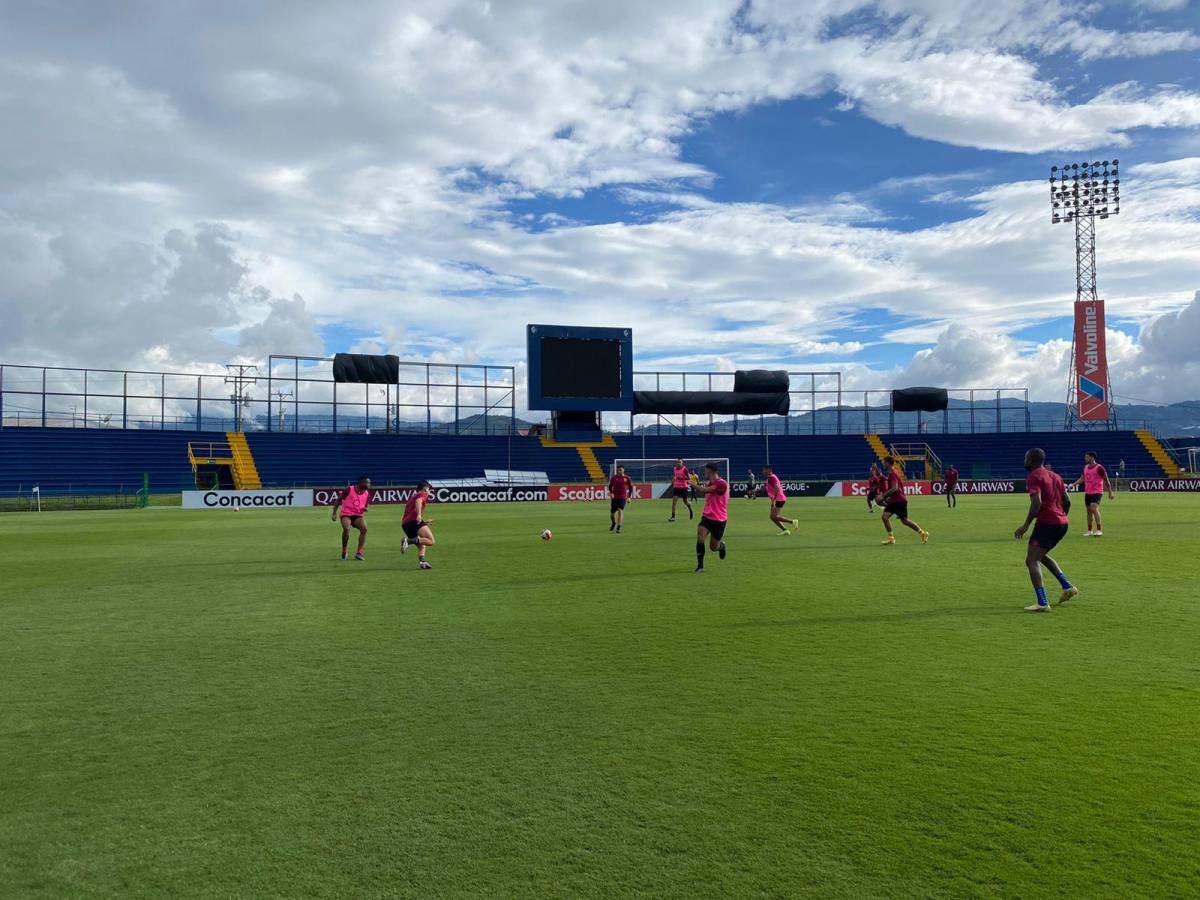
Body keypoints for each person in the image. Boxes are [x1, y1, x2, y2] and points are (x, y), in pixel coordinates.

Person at [1014, 448, 1079, 612]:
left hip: (1047, 522)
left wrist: (1026, 525)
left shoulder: (1034, 476)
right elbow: (1068, 502)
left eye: (1026, 457)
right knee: (1040, 555)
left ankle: (1042, 603)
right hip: (1062, 523)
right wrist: (1060, 517)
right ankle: (1067, 586)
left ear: (1032, 459)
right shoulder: (1055, 476)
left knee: (1031, 560)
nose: (1024, 460)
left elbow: (1036, 503)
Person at [878, 457, 929, 546]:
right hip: (895, 500)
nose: (882, 464)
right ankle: (891, 538)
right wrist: (886, 498)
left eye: (884, 462)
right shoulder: (893, 473)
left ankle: (923, 533)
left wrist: (883, 496)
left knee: (904, 520)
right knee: (885, 517)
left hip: (899, 500)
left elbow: (895, 488)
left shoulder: (893, 474)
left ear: (888, 463)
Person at [694, 462, 729, 573]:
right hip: (707, 517)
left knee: (713, 547)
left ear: (710, 471)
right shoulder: (710, 483)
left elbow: (703, 490)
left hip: (719, 520)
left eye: (705, 470)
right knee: (700, 536)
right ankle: (700, 566)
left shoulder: (721, 483)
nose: (704, 472)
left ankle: (721, 546)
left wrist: (691, 483)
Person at [1070, 451, 1115, 536]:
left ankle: (1099, 529)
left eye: (1087, 457)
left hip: (1097, 492)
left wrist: (1110, 492)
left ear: (1092, 457)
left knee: (1094, 508)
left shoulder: (1099, 468)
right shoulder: (1085, 467)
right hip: (1088, 492)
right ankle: (1089, 530)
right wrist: (1073, 484)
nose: (1085, 458)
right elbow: (1082, 479)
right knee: (1089, 511)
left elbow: (1106, 479)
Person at [331, 474, 371, 560]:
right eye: (367, 483)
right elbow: (339, 500)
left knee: (364, 529)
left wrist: (365, 508)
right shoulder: (349, 489)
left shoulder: (367, 493)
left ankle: (359, 553)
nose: (369, 485)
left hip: (358, 515)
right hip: (346, 514)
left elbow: (365, 506)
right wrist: (334, 513)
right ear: (361, 482)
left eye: (369, 483)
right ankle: (344, 550)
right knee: (346, 529)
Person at [400, 480, 435, 570]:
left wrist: (424, 522)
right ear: (425, 489)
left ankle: (423, 562)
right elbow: (418, 502)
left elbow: (411, 512)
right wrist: (419, 515)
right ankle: (408, 541)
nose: (429, 491)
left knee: (422, 544)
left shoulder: (414, 496)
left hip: (406, 524)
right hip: (413, 522)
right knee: (431, 541)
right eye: (429, 489)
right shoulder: (422, 494)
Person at [763, 464, 798, 534]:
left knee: (774, 516)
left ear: (769, 470)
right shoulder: (770, 478)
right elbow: (767, 488)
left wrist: (774, 500)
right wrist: (755, 491)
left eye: (764, 470)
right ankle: (785, 530)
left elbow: (777, 488)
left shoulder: (771, 477)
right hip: (777, 499)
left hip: (778, 499)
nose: (763, 471)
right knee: (772, 517)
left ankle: (793, 521)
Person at [609, 464, 634, 532]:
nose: (619, 471)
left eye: (620, 470)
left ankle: (619, 526)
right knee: (612, 514)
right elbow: (610, 486)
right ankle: (613, 523)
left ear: (623, 470)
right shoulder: (614, 478)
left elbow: (631, 487)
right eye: (618, 470)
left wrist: (629, 497)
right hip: (615, 498)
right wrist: (611, 493)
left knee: (620, 510)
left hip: (623, 497)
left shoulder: (627, 478)